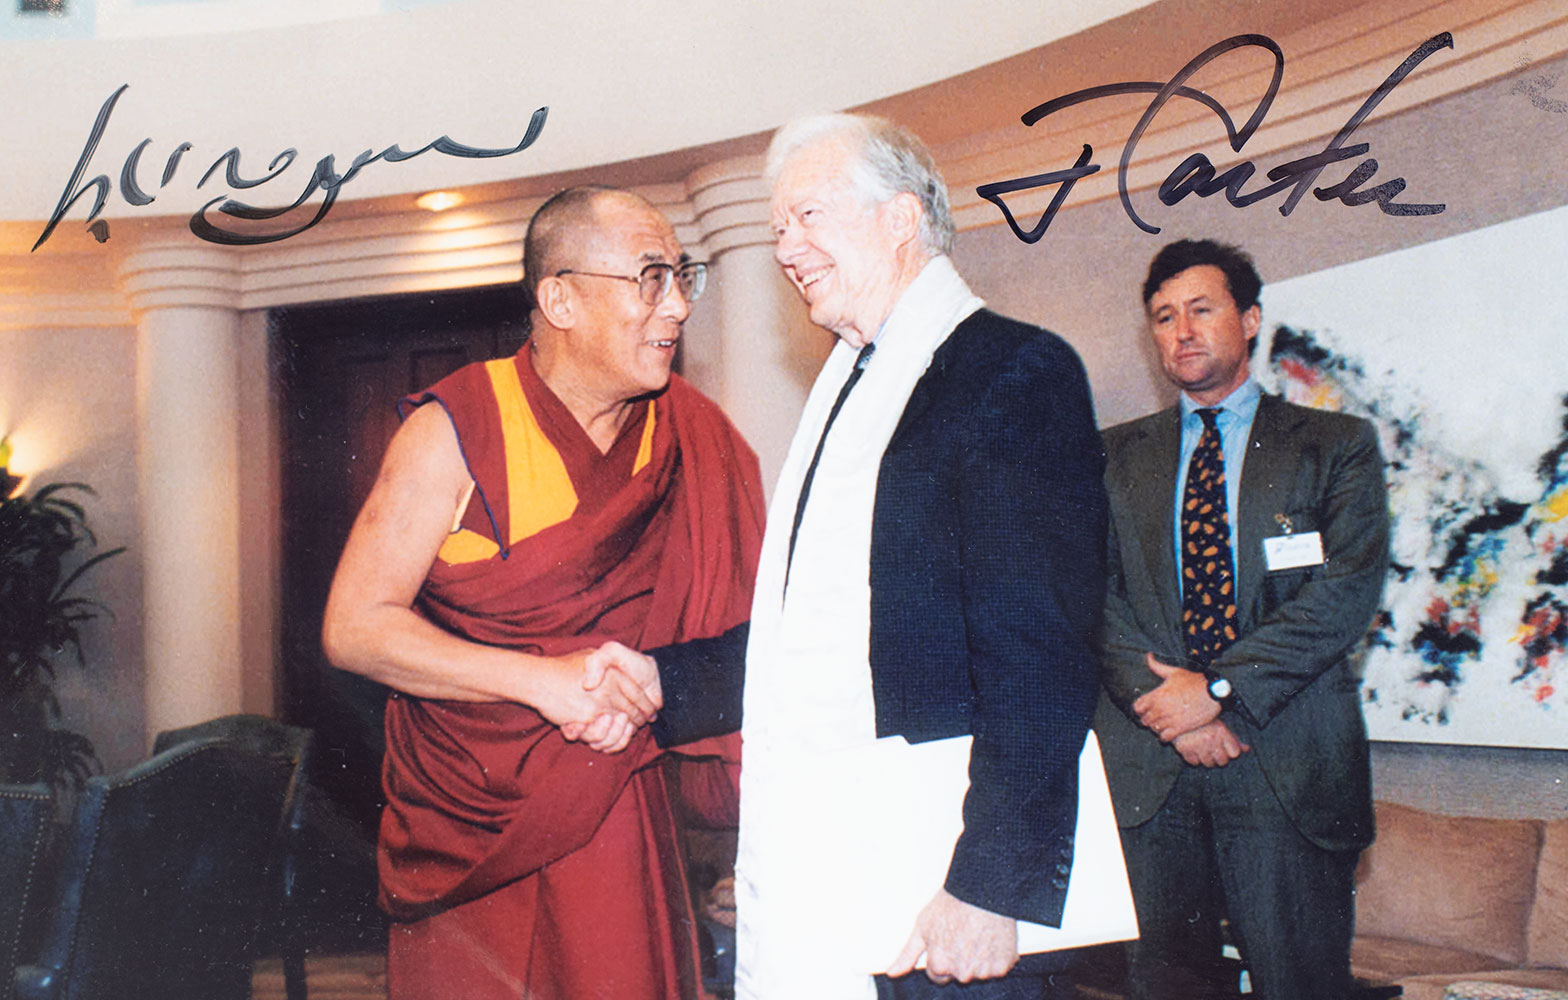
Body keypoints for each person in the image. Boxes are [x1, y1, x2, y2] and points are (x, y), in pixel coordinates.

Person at [321, 185, 766, 1000]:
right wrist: (543, 682)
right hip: (465, 819)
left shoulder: (691, 437)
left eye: (682, 277)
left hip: (616, 798)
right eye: (651, 278)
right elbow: (354, 626)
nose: (676, 306)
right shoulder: (456, 427)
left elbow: (745, 640)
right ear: (559, 299)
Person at [734, 113, 1107, 1000]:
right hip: (842, 860)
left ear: (901, 218)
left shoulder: (1011, 372)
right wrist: (653, 680)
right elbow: (820, 635)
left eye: (808, 216)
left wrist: (989, 886)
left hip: (944, 882)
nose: (786, 249)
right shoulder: (849, 384)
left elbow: (1041, 654)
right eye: (779, 227)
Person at [1095, 238, 1390, 1000]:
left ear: (1250, 319)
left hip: (1285, 768)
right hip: (1154, 775)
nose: (1182, 331)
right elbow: (1091, 596)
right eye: (1164, 317)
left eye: (1201, 309)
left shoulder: (1335, 447)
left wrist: (1218, 692)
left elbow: (1343, 593)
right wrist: (1174, 711)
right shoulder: (1110, 458)